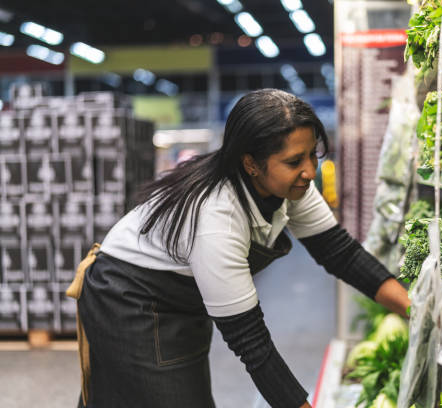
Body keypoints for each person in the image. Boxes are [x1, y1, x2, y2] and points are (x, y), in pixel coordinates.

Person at [70, 88, 411, 408]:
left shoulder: (291, 189)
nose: (309, 171)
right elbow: (252, 343)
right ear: (251, 163)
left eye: (313, 155)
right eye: (294, 161)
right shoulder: (217, 216)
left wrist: (416, 309)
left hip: (182, 296)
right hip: (129, 297)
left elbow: (341, 253)